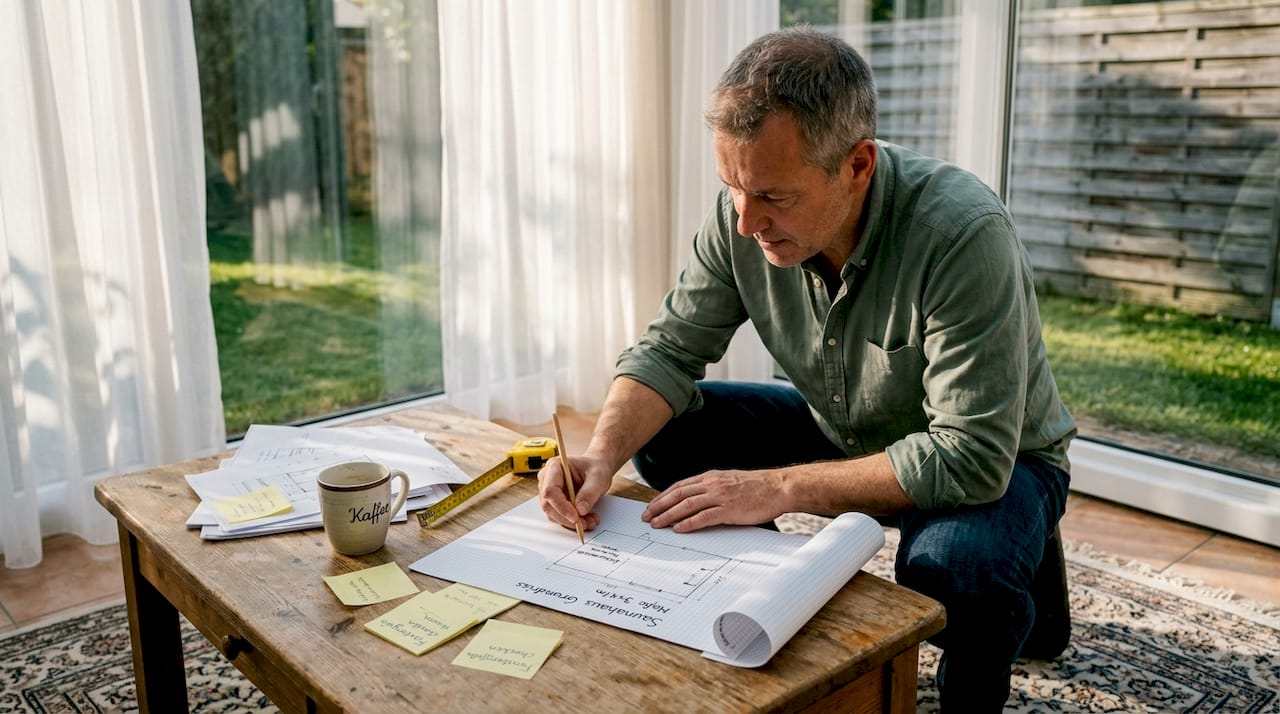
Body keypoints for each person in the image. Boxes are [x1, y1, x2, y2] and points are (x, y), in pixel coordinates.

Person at [537, 26, 1077, 711]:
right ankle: (772, 599)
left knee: (951, 569)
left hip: (1000, 461)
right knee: (668, 436)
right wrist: (601, 456)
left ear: (857, 166)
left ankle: (984, 661)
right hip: (845, 424)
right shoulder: (744, 214)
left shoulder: (963, 235)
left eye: (772, 196)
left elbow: (970, 457)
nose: (744, 221)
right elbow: (669, 351)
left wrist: (777, 489)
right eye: (732, 186)